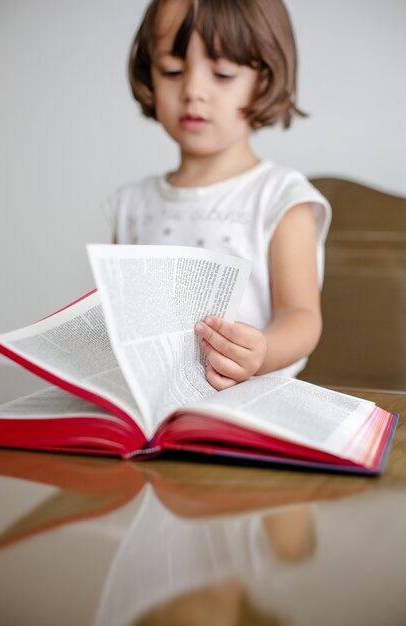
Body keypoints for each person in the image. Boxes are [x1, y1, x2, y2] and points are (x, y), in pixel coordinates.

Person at [110, 0, 331, 391]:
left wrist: (261, 351)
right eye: (173, 70)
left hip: (248, 404)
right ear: (150, 75)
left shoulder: (280, 196)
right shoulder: (131, 204)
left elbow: (301, 316)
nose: (193, 90)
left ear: (263, 79)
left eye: (223, 73)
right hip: (153, 403)